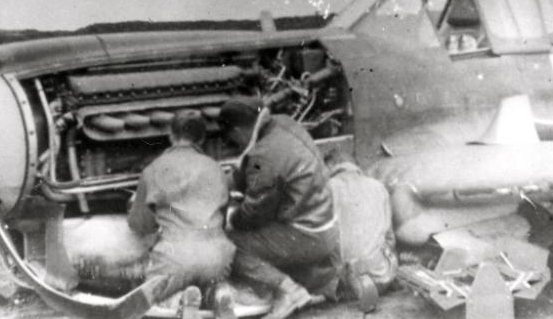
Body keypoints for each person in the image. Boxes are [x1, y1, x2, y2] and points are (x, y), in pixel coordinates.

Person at [219, 96, 339, 319]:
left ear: (237, 130)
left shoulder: (263, 154)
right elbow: (253, 173)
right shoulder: (283, 123)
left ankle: (288, 291)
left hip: (308, 235)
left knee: (227, 245)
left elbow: (253, 214)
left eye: (233, 140)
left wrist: (229, 217)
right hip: (327, 226)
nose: (235, 145)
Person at [127, 110, 236, 312]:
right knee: (211, 281)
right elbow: (221, 220)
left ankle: (179, 302)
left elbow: (139, 224)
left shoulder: (153, 169)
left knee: (155, 299)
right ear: (202, 138)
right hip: (217, 257)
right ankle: (218, 295)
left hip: (174, 258)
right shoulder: (216, 168)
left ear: (171, 135)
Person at [323, 150, 398, 297]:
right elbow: (390, 239)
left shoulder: (327, 189)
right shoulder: (379, 187)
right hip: (383, 277)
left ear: (330, 166)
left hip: (346, 283)